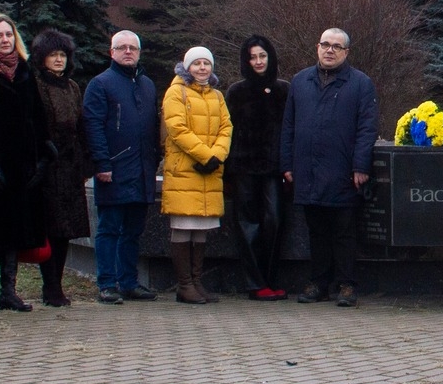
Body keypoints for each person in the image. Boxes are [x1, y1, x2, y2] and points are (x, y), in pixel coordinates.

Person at [281, 27, 379, 307]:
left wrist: (361, 165)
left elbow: (367, 128)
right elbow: (288, 126)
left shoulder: (360, 84)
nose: (330, 50)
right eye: (326, 44)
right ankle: (318, 283)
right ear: (317, 47)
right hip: (308, 170)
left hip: (343, 172)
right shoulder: (300, 81)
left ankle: (346, 285)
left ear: (346, 53)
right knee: (316, 231)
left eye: (337, 46)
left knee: (344, 231)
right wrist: (287, 163)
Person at [0, 13, 44, 312]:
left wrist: (41, 158)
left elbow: (37, 118)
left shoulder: (26, 71)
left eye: (9, 35)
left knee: (15, 231)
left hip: (22, 164)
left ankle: (8, 291)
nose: (5, 40)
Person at [84, 31, 163, 304]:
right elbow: (93, 127)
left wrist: (154, 161)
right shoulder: (100, 84)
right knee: (109, 229)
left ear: (140, 52)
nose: (127, 52)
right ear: (112, 52)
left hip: (142, 170)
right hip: (114, 169)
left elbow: (154, 128)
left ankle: (128, 281)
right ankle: (107, 283)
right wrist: (102, 163)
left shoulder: (148, 85)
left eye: (133, 48)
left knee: (133, 229)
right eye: (122, 48)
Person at [162, 45, 233, 305]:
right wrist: (206, 155)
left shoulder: (217, 95)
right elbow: (177, 128)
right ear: (187, 67)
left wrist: (217, 155)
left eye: (206, 63)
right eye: (197, 63)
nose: (202, 68)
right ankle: (184, 285)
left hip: (209, 172)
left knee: (201, 228)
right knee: (183, 227)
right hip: (186, 171)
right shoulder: (175, 92)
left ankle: (195, 281)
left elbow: (226, 127)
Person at [227, 36, 291, 301]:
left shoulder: (284, 90)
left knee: (274, 221)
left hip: (274, 169)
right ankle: (255, 284)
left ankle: (270, 279)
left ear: (270, 57)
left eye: (262, 56)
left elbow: (290, 130)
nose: (258, 62)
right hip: (243, 168)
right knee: (247, 225)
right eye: (252, 57)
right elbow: (227, 130)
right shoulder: (236, 92)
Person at [27, 29, 88, 307]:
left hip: (71, 165)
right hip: (47, 163)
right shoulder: (36, 84)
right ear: (42, 57)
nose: (59, 60)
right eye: (53, 55)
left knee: (65, 230)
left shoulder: (73, 87)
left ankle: (57, 285)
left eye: (63, 55)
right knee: (49, 227)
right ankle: (49, 285)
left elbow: (80, 124)